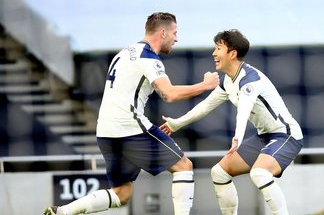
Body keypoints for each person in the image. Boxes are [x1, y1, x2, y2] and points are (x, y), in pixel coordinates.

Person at [44, 12, 219, 215]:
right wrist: (205, 85)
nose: (177, 38)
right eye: (175, 33)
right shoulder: (149, 59)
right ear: (163, 33)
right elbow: (169, 94)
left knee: (121, 193)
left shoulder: (125, 52)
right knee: (184, 165)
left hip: (106, 132)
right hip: (129, 128)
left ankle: (62, 212)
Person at [160, 29, 303, 215]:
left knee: (259, 174)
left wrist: (237, 137)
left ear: (232, 53)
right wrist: (176, 123)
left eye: (218, 48)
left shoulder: (250, 80)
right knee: (219, 173)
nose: (214, 53)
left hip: (287, 135)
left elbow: (244, 110)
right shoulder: (228, 81)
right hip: (264, 137)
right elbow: (205, 106)